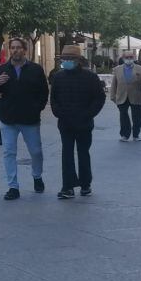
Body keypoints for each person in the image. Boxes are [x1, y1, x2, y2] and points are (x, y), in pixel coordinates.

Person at [0, 37, 50, 200]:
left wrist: (37, 108)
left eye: (18, 47)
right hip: (8, 119)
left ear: (25, 50)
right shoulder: (3, 69)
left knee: (36, 152)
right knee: (9, 152)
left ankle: (37, 176)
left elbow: (44, 92)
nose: (15, 50)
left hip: (30, 119)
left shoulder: (35, 69)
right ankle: (13, 187)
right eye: (12, 48)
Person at [49, 45, 106, 199]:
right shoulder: (58, 77)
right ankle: (67, 186)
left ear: (78, 60)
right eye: (64, 59)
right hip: (65, 123)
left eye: (70, 59)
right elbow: (53, 98)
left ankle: (85, 184)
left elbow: (99, 98)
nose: (66, 61)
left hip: (84, 122)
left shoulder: (90, 77)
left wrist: (89, 114)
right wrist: (58, 112)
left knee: (83, 153)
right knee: (67, 154)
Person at [110, 51, 141, 141]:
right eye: (127, 57)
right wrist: (112, 95)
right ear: (123, 58)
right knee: (123, 116)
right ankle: (125, 135)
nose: (129, 59)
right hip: (121, 96)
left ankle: (136, 135)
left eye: (131, 57)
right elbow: (114, 84)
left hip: (137, 96)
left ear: (134, 58)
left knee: (137, 117)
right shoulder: (117, 69)